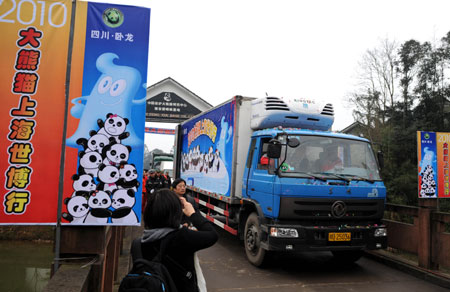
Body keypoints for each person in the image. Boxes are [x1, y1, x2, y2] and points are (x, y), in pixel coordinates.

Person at [141, 189, 218, 292]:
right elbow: (212, 235)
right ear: (175, 212)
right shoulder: (181, 237)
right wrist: (193, 214)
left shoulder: (143, 239)